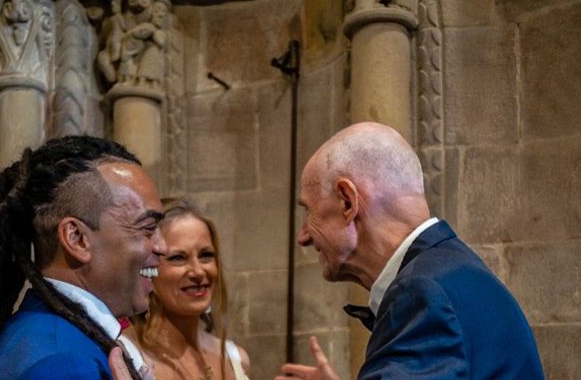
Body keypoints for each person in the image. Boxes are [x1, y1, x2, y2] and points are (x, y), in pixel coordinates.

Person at [275, 122, 545, 379]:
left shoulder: (422, 293)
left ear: (347, 201)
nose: (303, 236)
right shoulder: (450, 271)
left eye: (309, 211)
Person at [0, 135, 165, 380]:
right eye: (147, 228)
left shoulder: (47, 332)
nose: (163, 246)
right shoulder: (65, 364)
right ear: (77, 238)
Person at [124, 199, 251, 380]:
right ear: (148, 267)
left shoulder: (235, 358)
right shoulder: (127, 355)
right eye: (178, 258)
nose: (198, 272)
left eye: (206, 255)